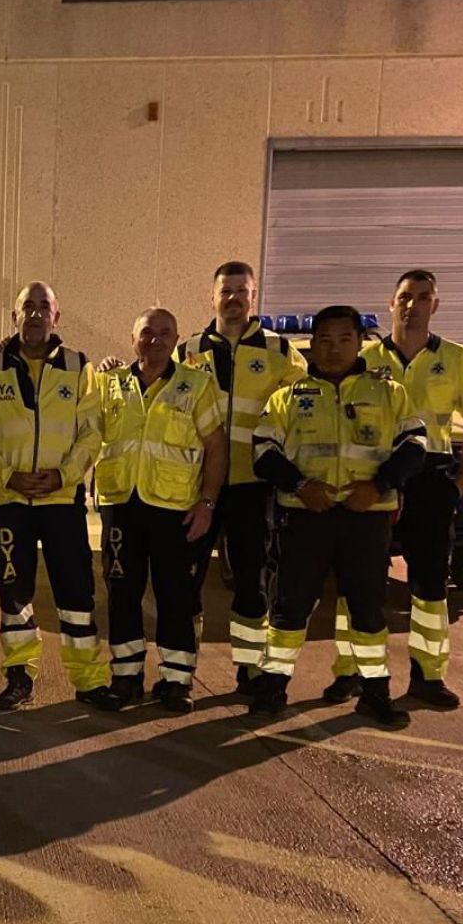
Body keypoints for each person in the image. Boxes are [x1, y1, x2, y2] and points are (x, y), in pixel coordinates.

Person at [251, 304, 427, 727]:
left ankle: (374, 693)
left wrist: (379, 485)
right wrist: (300, 486)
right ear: (311, 345)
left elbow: (416, 446)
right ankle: (272, 689)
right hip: (305, 519)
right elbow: (263, 451)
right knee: (289, 609)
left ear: (359, 341)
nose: (333, 349)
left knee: (368, 612)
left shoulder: (388, 393)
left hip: (365, 521)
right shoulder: (288, 397)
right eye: (324, 340)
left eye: (344, 339)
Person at [0, 281, 124, 712]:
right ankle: (19, 678)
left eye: (43, 308)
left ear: (57, 317)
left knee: (76, 595)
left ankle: (89, 681)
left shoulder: (79, 367)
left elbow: (92, 433)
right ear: (14, 316)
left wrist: (64, 475)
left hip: (60, 502)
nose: (35, 315)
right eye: (27, 307)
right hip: (8, 501)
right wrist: (6, 477)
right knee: (14, 593)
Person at [333, 269, 463, 710]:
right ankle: (352, 673)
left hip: (431, 477)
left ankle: (428, 676)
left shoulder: (456, 358)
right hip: (375, 475)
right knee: (360, 580)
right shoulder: (365, 357)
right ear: (391, 303)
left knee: (430, 582)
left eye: (422, 297)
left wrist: (459, 483)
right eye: (404, 296)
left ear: (434, 305)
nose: (411, 304)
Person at [174, 262, 308, 694]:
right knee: (186, 580)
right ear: (211, 297)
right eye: (225, 291)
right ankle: (180, 671)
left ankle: (249, 671)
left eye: (241, 291)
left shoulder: (280, 352)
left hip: (253, 488)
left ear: (254, 297)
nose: (233, 299)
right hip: (197, 486)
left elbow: (306, 409)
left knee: (252, 582)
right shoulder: (188, 351)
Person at [93, 308, 227, 713]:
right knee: (122, 595)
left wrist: (207, 503)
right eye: (146, 333)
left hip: (176, 510)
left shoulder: (197, 384)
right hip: (121, 507)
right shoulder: (109, 384)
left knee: (176, 596)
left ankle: (176, 681)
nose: (155, 340)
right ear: (133, 338)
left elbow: (216, 447)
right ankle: (126, 676)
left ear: (176, 339)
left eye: (164, 333)